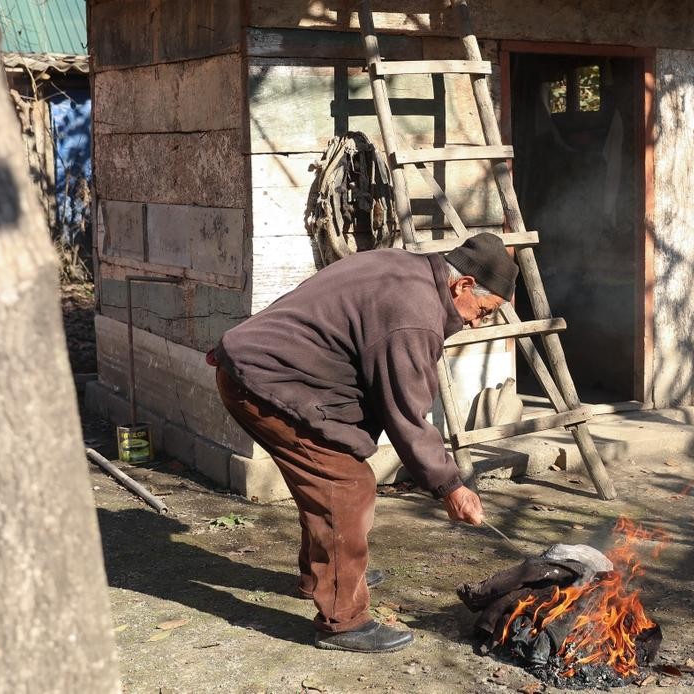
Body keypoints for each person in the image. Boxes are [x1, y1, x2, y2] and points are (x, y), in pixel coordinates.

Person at [208, 233, 518, 653]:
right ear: (462, 285)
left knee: (333, 475)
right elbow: (406, 413)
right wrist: (450, 486)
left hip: (262, 369)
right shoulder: (413, 313)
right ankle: (344, 620)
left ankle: (328, 573)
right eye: (483, 310)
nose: (477, 322)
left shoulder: (406, 268)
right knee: (345, 486)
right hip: (265, 382)